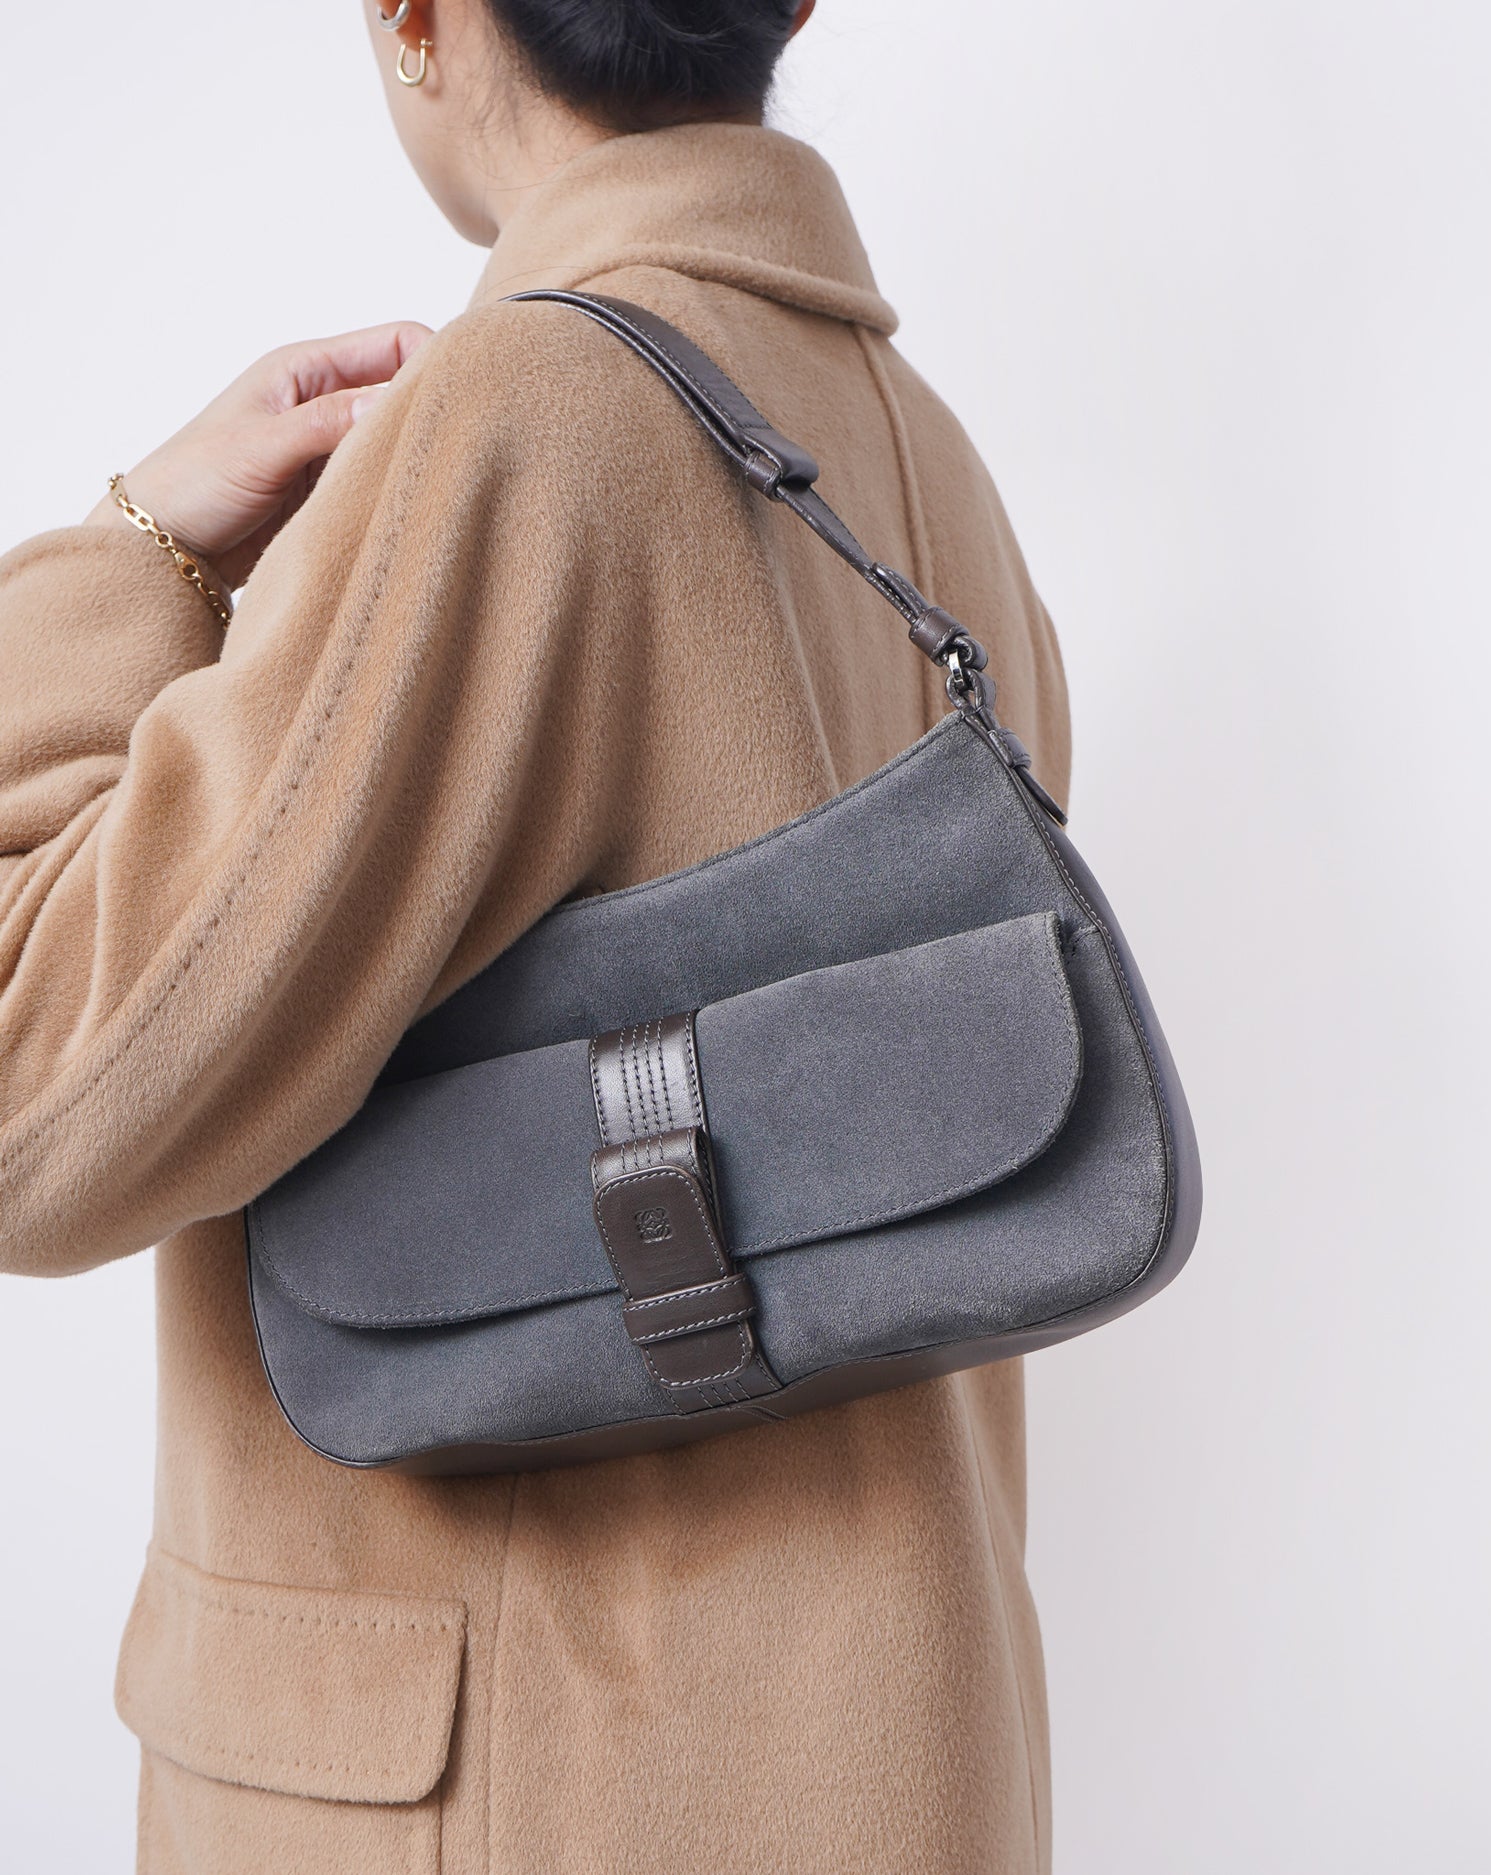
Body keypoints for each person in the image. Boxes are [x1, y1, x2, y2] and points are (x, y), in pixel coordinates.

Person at [0, 3, 1069, 1869]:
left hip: (522, 1784)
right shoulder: (931, 469)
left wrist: (134, 552)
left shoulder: (522, 420)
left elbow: (33, 1105)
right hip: (885, 1764)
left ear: (414, 17)